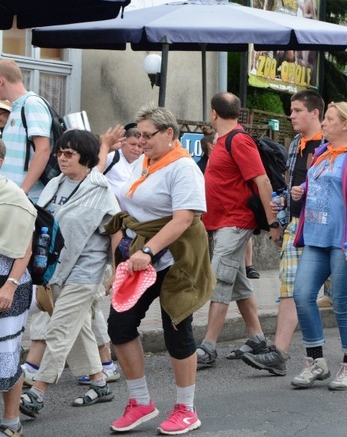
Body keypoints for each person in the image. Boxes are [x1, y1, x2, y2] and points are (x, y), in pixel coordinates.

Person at [105, 107, 214, 435]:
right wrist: (129, 254)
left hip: (177, 257)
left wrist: (150, 251)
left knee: (177, 329)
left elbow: (182, 219)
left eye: (147, 135)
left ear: (169, 134)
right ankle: (140, 402)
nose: (141, 141)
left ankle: (186, 408)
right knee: (120, 326)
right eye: (138, 134)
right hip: (143, 254)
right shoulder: (144, 162)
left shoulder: (183, 168)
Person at [19, 130, 121, 419]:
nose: (62, 158)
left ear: (86, 158)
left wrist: (116, 273)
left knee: (60, 330)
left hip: (86, 274)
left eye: (69, 153)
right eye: (60, 152)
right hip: (55, 271)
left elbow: (117, 234)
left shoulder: (101, 190)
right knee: (81, 331)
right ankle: (100, 383)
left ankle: (37, 393)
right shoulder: (55, 184)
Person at [290, 102, 347, 390]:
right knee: (302, 296)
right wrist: (301, 191)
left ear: (345, 125)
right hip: (316, 239)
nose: (324, 124)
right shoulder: (320, 153)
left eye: (329, 119)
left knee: (342, 302)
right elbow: (322, 189)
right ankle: (316, 360)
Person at [243, 90, 325, 376]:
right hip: (296, 224)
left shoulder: (329, 144)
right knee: (289, 288)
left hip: (324, 228)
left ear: (315, 113)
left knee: (337, 294)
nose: (291, 116)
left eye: (298, 110)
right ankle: (279, 354)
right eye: (291, 110)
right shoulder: (295, 145)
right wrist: (280, 211)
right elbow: (289, 184)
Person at [196, 92, 279, 369]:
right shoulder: (222, 140)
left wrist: (273, 224)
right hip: (221, 222)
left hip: (235, 222)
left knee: (218, 280)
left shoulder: (238, 140)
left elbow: (263, 182)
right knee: (239, 283)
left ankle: (208, 347)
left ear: (213, 114)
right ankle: (256, 337)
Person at [0, 139, 36, 436]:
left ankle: (11, 421)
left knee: (6, 353)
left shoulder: (14, 198)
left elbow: (25, 248)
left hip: (8, 283)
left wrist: (9, 286)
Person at [0, 59, 52, 202]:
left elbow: (43, 150)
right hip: (11, 196)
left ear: (0, 81)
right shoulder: (17, 107)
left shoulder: (32, 104)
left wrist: (23, 191)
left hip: (25, 200)